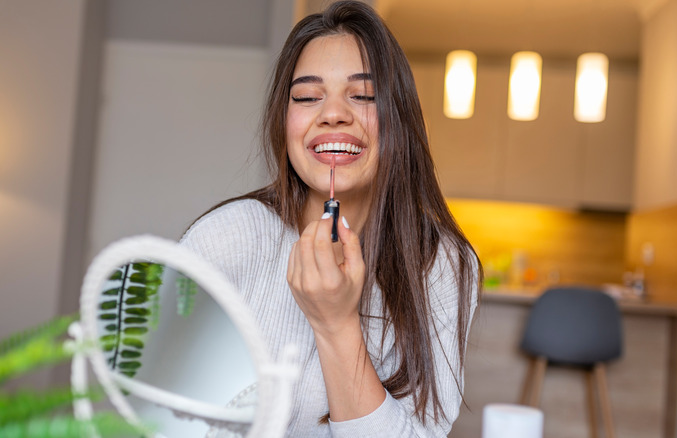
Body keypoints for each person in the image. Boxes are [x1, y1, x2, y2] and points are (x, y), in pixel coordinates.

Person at [180, 1, 481, 436]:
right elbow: (158, 414)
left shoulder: (442, 265)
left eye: (362, 95)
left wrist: (337, 324)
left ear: (400, 117)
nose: (333, 113)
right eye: (306, 96)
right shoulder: (225, 239)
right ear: (284, 120)